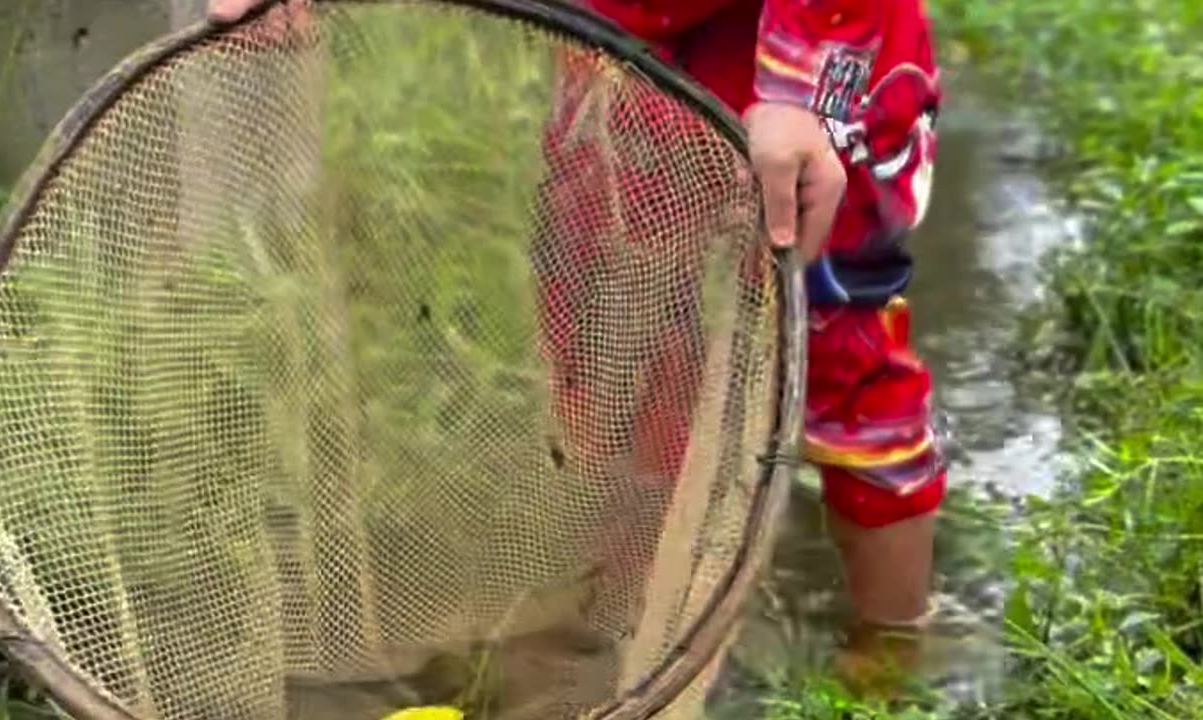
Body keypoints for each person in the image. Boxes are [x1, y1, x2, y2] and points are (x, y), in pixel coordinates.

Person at [209, 0, 943, 699]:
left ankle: (891, 640)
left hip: (813, 48)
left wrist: (800, 87)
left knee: (834, 342)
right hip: (622, 44)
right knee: (610, 321)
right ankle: (627, 607)